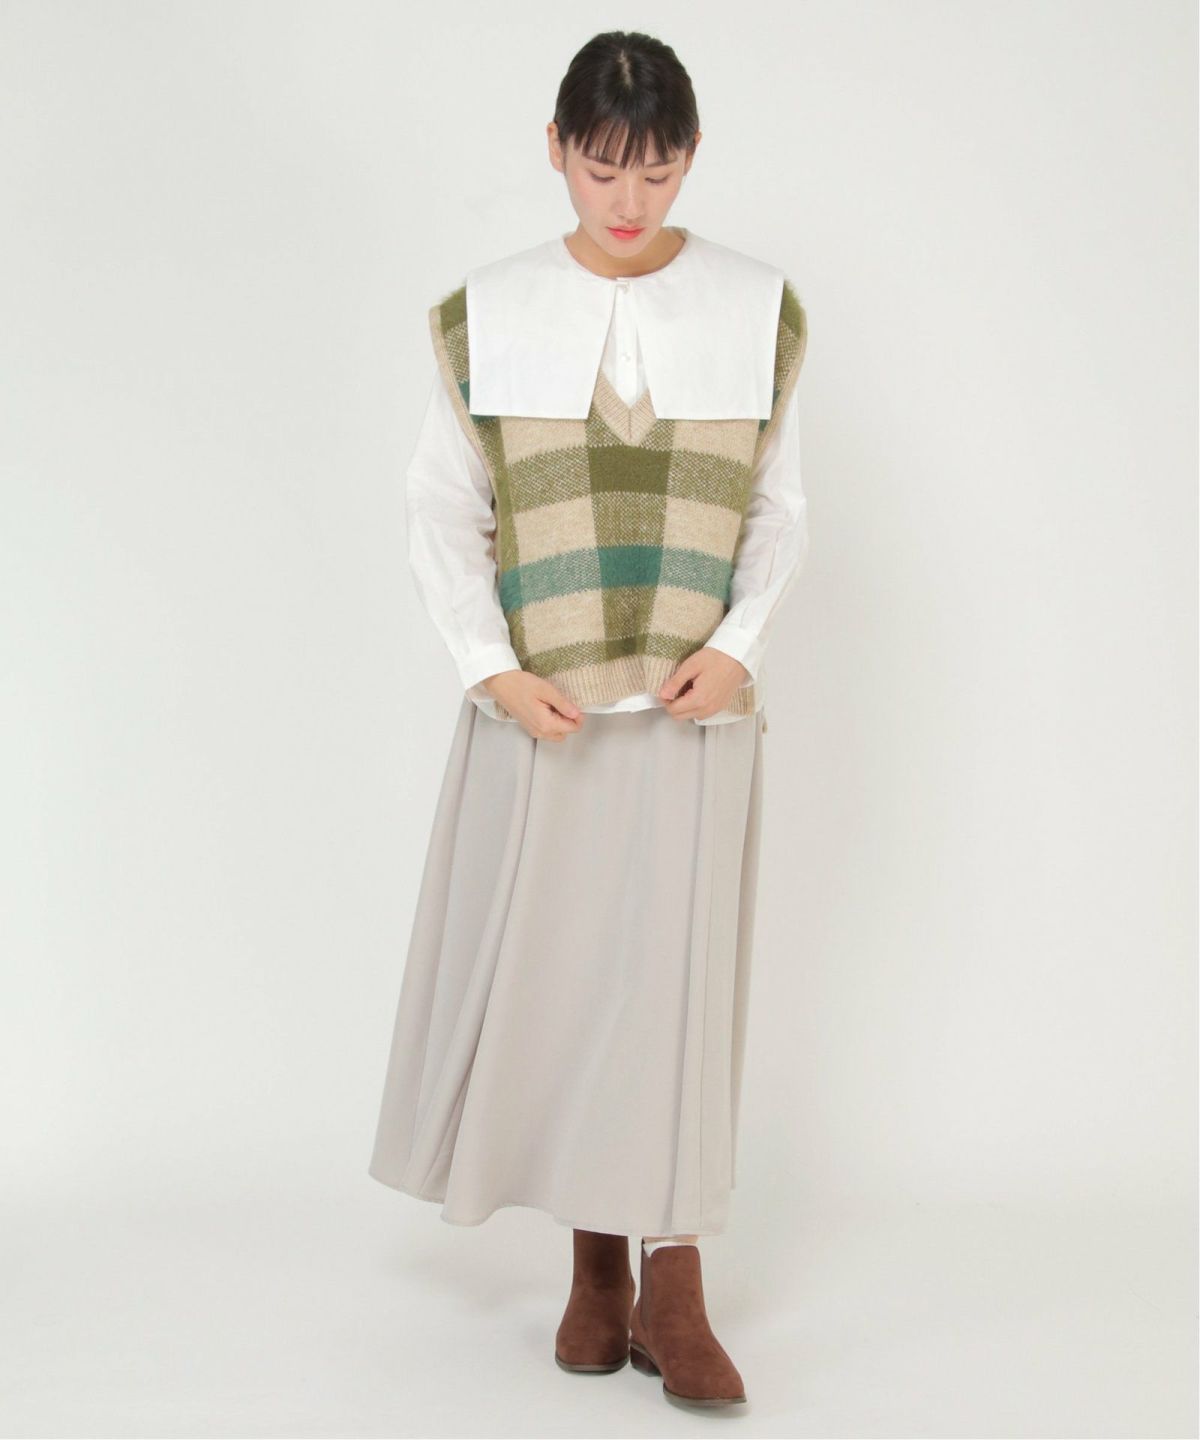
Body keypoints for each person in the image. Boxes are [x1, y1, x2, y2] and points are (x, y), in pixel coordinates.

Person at [368, 29, 809, 1411]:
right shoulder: (486, 312)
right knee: (560, 985)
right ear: (557, 148)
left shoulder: (757, 307)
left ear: (691, 157)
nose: (630, 199)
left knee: (674, 986)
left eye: (658, 171)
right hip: (545, 706)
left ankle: (676, 1282)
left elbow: (781, 504)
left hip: (688, 709)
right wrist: (489, 666)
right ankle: (593, 1266)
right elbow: (441, 507)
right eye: (605, 167)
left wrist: (737, 646)